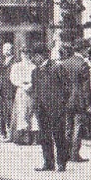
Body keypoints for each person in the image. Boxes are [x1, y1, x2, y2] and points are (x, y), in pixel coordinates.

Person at [31, 43, 72, 172]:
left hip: (56, 108)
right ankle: (48, 163)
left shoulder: (56, 67)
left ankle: (61, 163)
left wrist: (61, 102)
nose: (33, 59)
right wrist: (36, 105)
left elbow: (67, 87)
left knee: (59, 136)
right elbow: (35, 90)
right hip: (41, 109)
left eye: (35, 56)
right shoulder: (35, 71)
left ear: (41, 55)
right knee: (44, 136)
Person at [58, 39, 91, 163]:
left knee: (68, 127)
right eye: (87, 48)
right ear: (83, 49)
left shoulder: (64, 63)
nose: (88, 51)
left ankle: (66, 152)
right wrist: (90, 103)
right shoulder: (83, 64)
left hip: (66, 99)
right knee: (78, 127)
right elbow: (86, 88)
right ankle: (75, 154)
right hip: (79, 100)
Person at [8, 46, 37, 145]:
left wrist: (31, 85)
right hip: (21, 91)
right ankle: (21, 137)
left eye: (27, 53)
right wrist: (21, 85)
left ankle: (32, 137)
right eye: (23, 53)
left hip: (31, 91)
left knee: (32, 113)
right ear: (21, 55)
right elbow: (13, 78)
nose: (25, 55)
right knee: (21, 113)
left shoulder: (33, 66)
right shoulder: (16, 66)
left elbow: (36, 78)